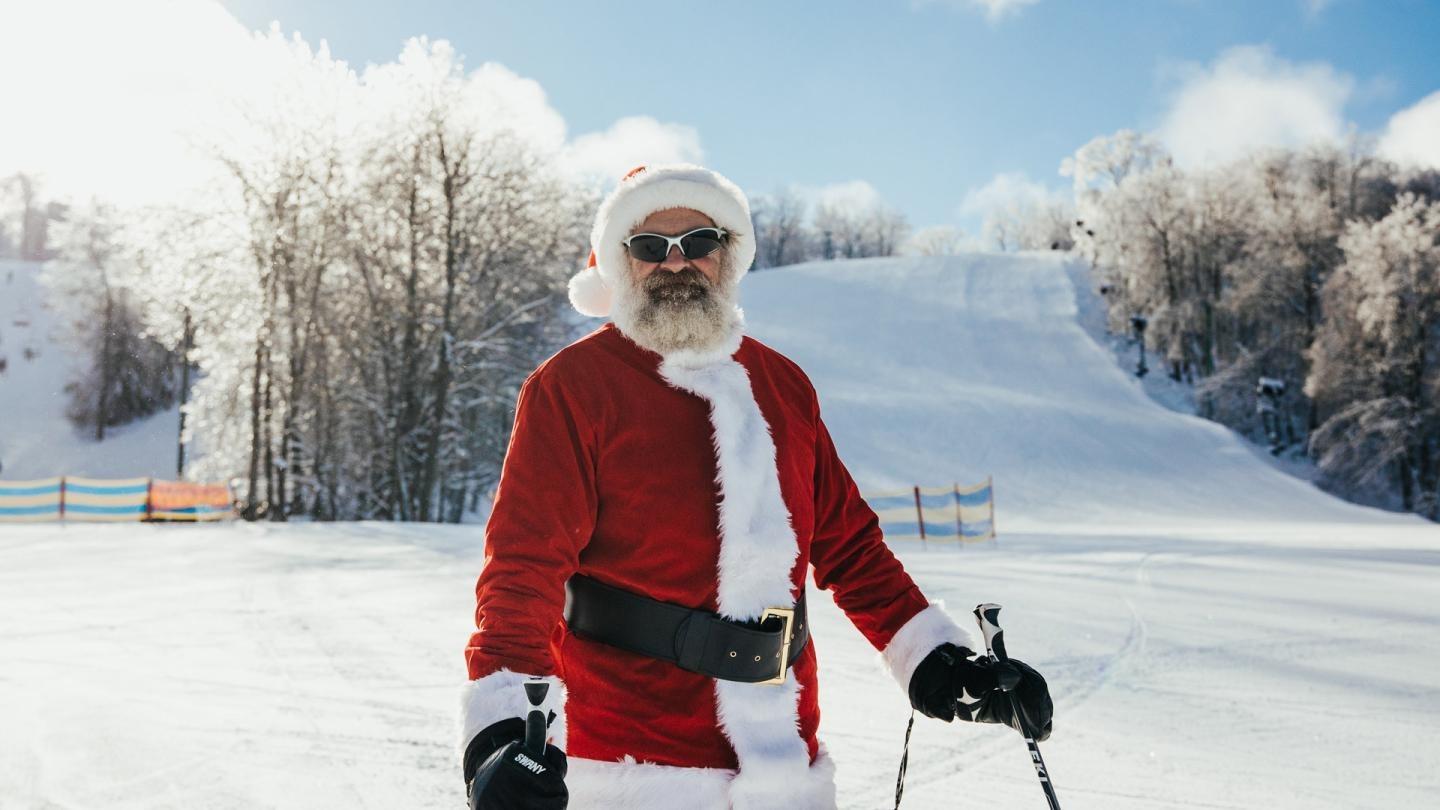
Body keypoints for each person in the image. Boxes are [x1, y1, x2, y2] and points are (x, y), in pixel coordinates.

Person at [459, 164, 1052, 809]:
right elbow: (523, 568)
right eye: (650, 247)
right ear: (618, 265)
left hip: (785, 764)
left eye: (700, 242)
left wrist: (936, 660)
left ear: (729, 255)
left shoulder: (784, 385)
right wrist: (501, 728)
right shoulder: (572, 387)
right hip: (632, 766)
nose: (676, 263)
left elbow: (851, 548)